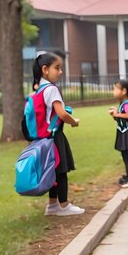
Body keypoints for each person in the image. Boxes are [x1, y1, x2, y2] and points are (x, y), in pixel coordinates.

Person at [33, 52, 85, 217]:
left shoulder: (39, 89)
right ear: (45, 69)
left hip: (43, 137)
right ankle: (64, 205)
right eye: (57, 68)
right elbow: (61, 114)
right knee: (61, 171)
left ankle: (52, 205)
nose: (60, 71)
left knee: (52, 170)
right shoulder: (52, 89)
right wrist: (74, 122)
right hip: (55, 137)